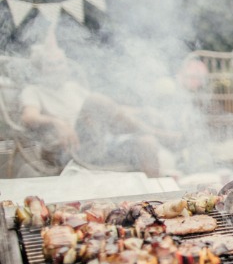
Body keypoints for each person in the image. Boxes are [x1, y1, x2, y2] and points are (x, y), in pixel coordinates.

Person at [19, 44, 178, 177]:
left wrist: (143, 111)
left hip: (97, 146)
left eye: (60, 63)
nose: (57, 68)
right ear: (40, 68)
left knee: (146, 142)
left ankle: (156, 201)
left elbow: (110, 110)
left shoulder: (73, 88)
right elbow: (29, 117)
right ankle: (158, 134)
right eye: (50, 64)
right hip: (67, 150)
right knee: (95, 100)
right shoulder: (33, 90)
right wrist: (57, 121)